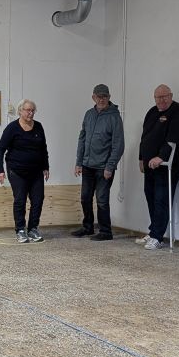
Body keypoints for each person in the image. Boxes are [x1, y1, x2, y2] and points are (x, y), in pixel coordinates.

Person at [136, 85, 179, 250]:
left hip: (167, 165)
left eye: (165, 96)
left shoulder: (178, 111)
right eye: (158, 97)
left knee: (162, 199)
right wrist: (141, 158)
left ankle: (157, 236)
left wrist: (161, 157)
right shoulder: (152, 112)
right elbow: (144, 137)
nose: (162, 100)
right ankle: (153, 231)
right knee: (150, 196)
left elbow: (174, 138)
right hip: (149, 164)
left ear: (171, 95)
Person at [72, 84, 124, 241]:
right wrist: (79, 162)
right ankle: (88, 227)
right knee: (85, 197)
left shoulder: (114, 117)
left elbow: (118, 145)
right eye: (99, 96)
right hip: (87, 165)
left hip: (104, 168)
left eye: (105, 96)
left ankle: (106, 232)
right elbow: (82, 138)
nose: (102, 99)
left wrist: (110, 166)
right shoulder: (89, 114)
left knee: (102, 199)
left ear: (109, 97)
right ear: (93, 97)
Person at [0, 99, 50, 243]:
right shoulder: (12, 128)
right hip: (17, 171)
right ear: (20, 111)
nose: (30, 113)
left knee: (38, 200)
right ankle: (20, 229)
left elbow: (43, 148)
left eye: (32, 110)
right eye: (27, 110)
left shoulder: (38, 126)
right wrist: (0, 170)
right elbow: (0, 149)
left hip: (36, 171)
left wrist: (46, 166)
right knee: (20, 200)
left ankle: (33, 229)